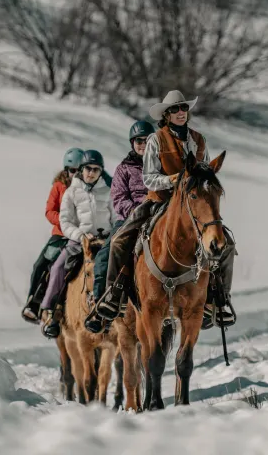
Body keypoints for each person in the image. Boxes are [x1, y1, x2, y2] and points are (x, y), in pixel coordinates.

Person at [92, 90, 237, 330]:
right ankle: (113, 294)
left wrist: (204, 180)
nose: (181, 113)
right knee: (119, 240)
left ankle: (219, 300)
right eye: (175, 110)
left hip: (191, 203)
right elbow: (149, 178)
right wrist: (171, 180)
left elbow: (205, 171)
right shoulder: (156, 139)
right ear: (166, 115)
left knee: (227, 244)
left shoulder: (198, 139)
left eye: (183, 109)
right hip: (159, 201)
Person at [83, 120, 154, 334]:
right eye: (138, 141)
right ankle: (104, 302)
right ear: (132, 143)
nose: (142, 144)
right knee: (109, 249)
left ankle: (209, 298)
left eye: (147, 140)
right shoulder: (124, 168)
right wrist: (138, 210)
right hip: (132, 217)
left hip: (161, 213)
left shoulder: (163, 164)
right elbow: (119, 199)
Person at [39, 149, 117, 338]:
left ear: (101, 172)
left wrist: (111, 236)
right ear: (81, 169)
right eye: (88, 169)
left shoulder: (108, 191)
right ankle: (51, 313)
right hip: (79, 240)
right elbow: (65, 221)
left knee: (119, 268)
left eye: (96, 170)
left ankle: (117, 314)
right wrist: (80, 235)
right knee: (58, 267)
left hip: (104, 241)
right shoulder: (71, 192)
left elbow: (115, 218)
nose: (91, 173)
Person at [21, 147, 85, 324]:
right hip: (60, 235)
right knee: (41, 264)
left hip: (80, 236)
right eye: (73, 170)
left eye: (80, 170)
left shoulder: (88, 187)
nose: (76, 174)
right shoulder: (59, 187)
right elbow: (49, 211)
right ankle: (33, 303)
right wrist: (65, 222)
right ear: (66, 170)